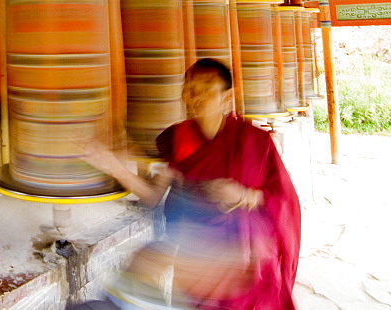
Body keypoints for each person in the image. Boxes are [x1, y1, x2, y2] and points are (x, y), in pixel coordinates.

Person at [80, 59, 301, 309]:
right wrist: (114, 167)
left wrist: (245, 194)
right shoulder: (179, 137)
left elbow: (283, 198)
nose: (196, 96)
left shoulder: (254, 141)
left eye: (207, 88)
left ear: (226, 97)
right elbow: (153, 194)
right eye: (190, 88)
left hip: (243, 257)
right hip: (194, 254)